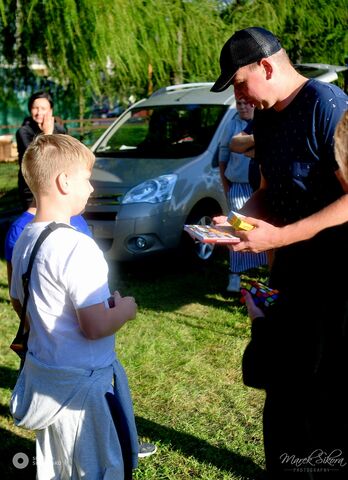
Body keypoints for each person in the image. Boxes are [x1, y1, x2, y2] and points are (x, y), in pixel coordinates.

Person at [211, 27, 348, 479]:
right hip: (288, 277)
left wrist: (280, 237)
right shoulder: (265, 119)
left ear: (266, 67)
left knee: (325, 395)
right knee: (283, 387)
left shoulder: (328, 105)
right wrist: (238, 222)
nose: (239, 95)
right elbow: (268, 190)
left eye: (238, 82)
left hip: (336, 282)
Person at [9, 134, 139, 479]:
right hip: (84, 388)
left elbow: (19, 300)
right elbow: (95, 326)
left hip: (48, 376)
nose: (92, 189)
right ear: (64, 181)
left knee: (59, 466)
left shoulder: (25, 237)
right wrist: (125, 309)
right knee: (100, 466)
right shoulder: (77, 247)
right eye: (86, 178)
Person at [219, 99, 267, 292]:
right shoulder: (232, 125)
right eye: (239, 103)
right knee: (238, 227)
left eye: (247, 103)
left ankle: (262, 270)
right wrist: (226, 187)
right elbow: (222, 158)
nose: (243, 107)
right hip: (238, 186)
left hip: (261, 186)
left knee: (260, 227)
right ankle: (235, 274)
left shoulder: (263, 121)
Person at [16, 91, 66, 210]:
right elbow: (35, 159)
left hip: (56, 184)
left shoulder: (60, 130)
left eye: (43, 108)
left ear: (51, 110)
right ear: (30, 109)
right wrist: (47, 133)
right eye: (35, 108)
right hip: (31, 188)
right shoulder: (24, 132)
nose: (39, 112)